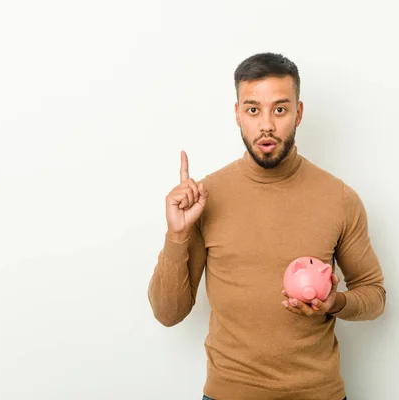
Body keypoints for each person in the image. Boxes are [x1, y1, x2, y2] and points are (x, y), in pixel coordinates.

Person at [147, 52, 386, 400]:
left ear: (298, 113)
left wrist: (335, 302)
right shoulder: (205, 197)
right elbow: (168, 313)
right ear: (237, 114)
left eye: (280, 109)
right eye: (253, 109)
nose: (266, 125)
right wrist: (177, 234)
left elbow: (375, 295)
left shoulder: (340, 199)